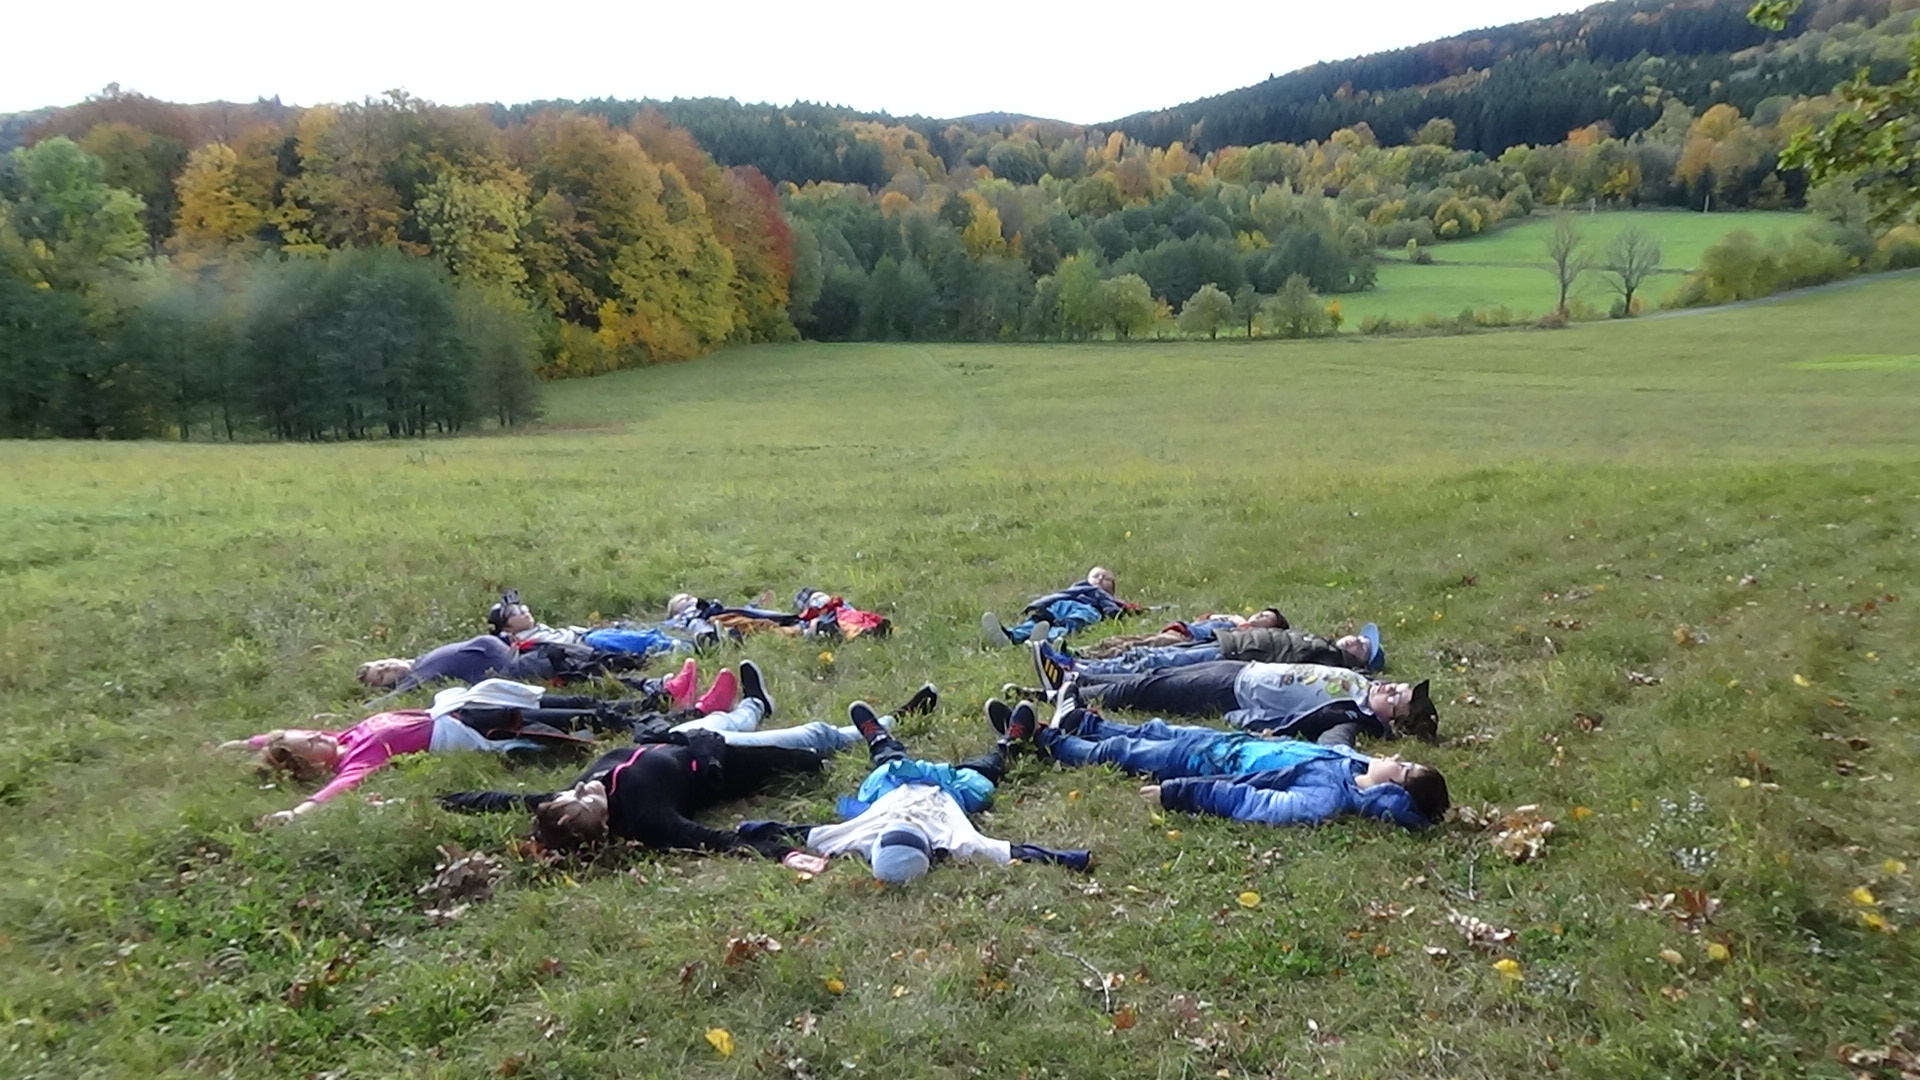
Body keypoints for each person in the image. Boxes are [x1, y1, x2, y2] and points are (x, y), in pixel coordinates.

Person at [440, 673, 939, 860]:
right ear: (605, 823)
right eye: (587, 800)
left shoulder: (569, 800)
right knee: (812, 739)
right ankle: (888, 724)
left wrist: (456, 800)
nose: (583, 788)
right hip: (721, 759)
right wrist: (780, 851)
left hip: (683, 738)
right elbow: (712, 838)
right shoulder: (647, 818)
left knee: (728, 716)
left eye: (571, 793)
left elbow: (505, 800)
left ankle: (757, 703)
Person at [735, 700, 1092, 883]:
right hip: (952, 792)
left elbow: (796, 832)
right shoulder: (959, 844)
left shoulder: (854, 836)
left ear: (879, 842)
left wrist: (748, 829)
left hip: (895, 784)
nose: (907, 823)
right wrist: (1072, 859)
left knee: (889, 764)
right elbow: (1021, 852)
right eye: (912, 831)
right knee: (982, 775)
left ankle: (878, 738)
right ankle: (1009, 745)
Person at [1013, 686, 1448, 829]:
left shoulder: (1325, 799)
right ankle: (1083, 723)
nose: (1396, 756)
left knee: (1126, 752)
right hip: (1228, 743)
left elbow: (1249, 801)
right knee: (1153, 730)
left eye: (1404, 766)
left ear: (1393, 791)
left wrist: (1179, 794)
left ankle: (1048, 739)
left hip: (1207, 765)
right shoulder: (1350, 764)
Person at [1050, 661, 1437, 746]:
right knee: (1156, 676)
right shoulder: (1364, 684)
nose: (1391, 689)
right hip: (1243, 669)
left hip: (1234, 693)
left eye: (1396, 698)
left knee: (1150, 691)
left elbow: (1333, 741)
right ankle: (1077, 681)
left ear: (1392, 721)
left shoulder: (1352, 715)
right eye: (1399, 687)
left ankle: (1072, 693)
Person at [1037, 623, 1385, 679]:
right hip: (1231, 641)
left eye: (1361, 646)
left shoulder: (1329, 660)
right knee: (1158, 654)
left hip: (1237, 656)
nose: (1354, 640)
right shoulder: (1324, 642)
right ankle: (1081, 662)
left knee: (1160, 660)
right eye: (1358, 637)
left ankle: (1079, 670)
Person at [982, 565, 1140, 646]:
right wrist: (1038, 605)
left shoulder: (1107, 598)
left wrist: (1117, 612)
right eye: (1096, 576)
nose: (1100, 579)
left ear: (1112, 589)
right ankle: (1011, 635)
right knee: (1040, 618)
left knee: (1072, 621)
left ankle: (1047, 640)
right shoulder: (1075, 589)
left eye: (1106, 578)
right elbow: (1055, 596)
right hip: (1062, 604)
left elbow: (1120, 609)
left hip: (1088, 609)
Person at [1077, 608, 1288, 658]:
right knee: (1122, 639)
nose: (1259, 616)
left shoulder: (1245, 635)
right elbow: (1204, 618)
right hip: (1178, 629)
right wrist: (1229, 616)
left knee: (1134, 646)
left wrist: (1238, 622)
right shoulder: (1234, 620)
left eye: (1265, 618)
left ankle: (1088, 658)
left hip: (1183, 640)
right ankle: (1082, 650)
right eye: (1261, 613)